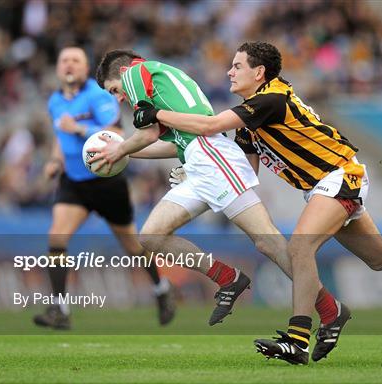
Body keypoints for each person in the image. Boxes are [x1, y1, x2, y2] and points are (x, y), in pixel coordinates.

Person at [133, 41, 382, 365]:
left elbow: (210, 125)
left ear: (258, 73)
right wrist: (191, 171)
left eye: (237, 65)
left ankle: (297, 338)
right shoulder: (250, 116)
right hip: (324, 185)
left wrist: (158, 114)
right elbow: (245, 171)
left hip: (340, 175)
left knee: (301, 246)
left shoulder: (270, 99)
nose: (229, 71)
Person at [90, 50, 341, 335]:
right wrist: (124, 155)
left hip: (212, 158)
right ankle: (228, 278)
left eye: (114, 90)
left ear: (122, 72)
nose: (119, 97)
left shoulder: (134, 74)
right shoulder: (160, 82)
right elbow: (175, 145)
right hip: (199, 160)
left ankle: (330, 309)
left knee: (267, 241)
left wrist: (118, 149)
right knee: (151, 236)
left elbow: (146, 134)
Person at [34, 47, 175, 330]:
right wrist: (53, 160)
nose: (69, 64)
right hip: (74, 181)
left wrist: (79, 129)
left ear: (86, 69)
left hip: (106, 178)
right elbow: (59, 137)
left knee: (132, 244)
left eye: (76, 60)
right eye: (64, 60)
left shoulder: (99, 96)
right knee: (57, 238)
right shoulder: (55, 101)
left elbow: (118, 135)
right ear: (58, 69)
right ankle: (59, 310)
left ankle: (161, 288)